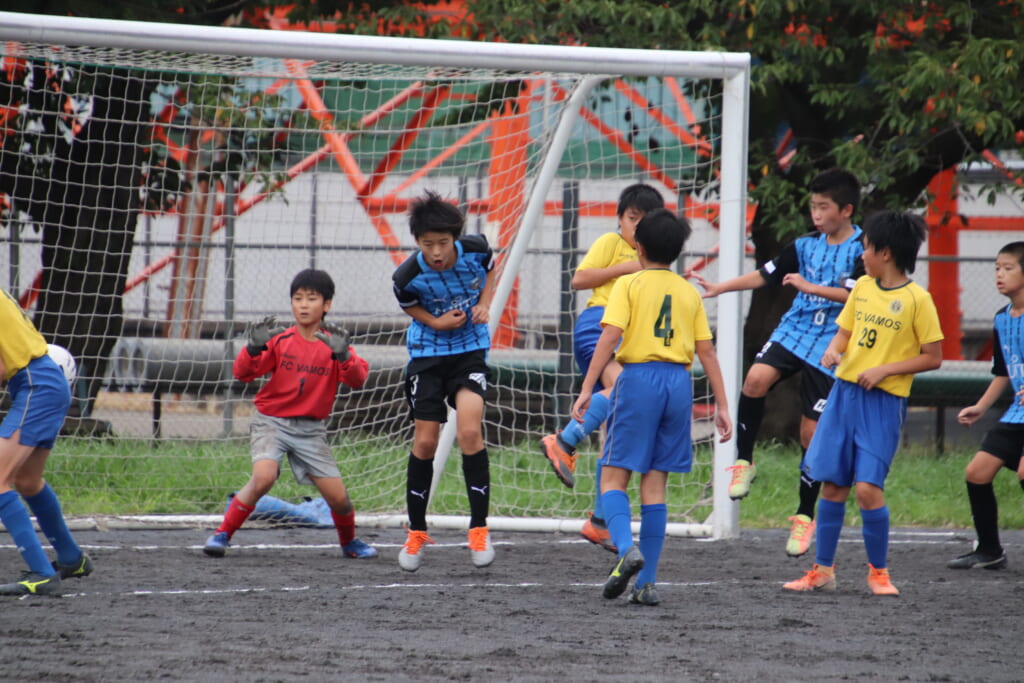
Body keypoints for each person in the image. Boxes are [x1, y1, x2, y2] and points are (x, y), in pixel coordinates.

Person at [691, 168, 864, 557]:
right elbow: (765, 275)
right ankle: (743, 461)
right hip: (795, 331)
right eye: (813, 206)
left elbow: (856, 299)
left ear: (846, 210)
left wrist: (809, 287)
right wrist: (721, 287)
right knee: (753, 381)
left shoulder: (862, 248)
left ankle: (804, 516)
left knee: (810, 435)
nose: (816, 214)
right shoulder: (803, 245)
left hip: (834, 342)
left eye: (824, 207)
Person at [572, 208, 733, 606]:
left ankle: (627, 549)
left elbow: (609, 337)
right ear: (678, 252)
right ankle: (648, 584)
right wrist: (723, 405)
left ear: (638, 248)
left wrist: (588, 388)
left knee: (613, 478)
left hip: (639, 379)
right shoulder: (686, 291)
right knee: (655, 486)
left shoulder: (629, 284)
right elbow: (707, 352)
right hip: (678, 385)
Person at [783, 210, 943, 596]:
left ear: (885, 253)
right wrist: (833, 351)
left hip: (882, 403)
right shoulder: (863, 289)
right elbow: (844, 334)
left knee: (868, 489)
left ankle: (879, 573)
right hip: (844, 397)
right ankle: (822, 570)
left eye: (866, 248)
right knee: (834, 485)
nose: (862, 255)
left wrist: (886, 370)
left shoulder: (917, 300)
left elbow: (933, 356)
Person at [203, 269, 377, 559]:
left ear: (327, 305)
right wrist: (253, 348)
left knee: (339, 500)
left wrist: (344, 356)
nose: (304, 305)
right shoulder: (280, 340)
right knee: (264, 477)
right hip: (272, 422)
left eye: (312, 298)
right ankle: (222, 534)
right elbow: (242, 373)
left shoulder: (336, 344)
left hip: (311, 431)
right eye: (298, 298)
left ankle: (349, 543)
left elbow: (358, 380)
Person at [540, 183, 666, 553]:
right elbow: (579, 279)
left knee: (618, 425)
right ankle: (563, 441)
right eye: (632, 219)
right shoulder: (613, 245)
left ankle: (599, 521)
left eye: (645, 222)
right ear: (620, 219)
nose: (637, 228)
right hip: (599, 325)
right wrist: (630, 266)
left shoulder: (656, 256)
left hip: (632, 338)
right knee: (627, 392)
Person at [392, 190, 497, 572]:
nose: (436, 252)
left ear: (455, 237)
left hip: (469, 351)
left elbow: (490, 269)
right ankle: (416, 533)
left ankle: (479, 531)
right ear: (417, 243)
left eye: (442, 243)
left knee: (470, 431)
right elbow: (407, 303)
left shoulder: (475, 249)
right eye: (427, 244)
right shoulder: (408, 275)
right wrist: (436, 322)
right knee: (425, 441)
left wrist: (484, 302)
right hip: (427, 358)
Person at [0, 289, 93, 596]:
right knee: (27, 481)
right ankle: (71, 558)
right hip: (43, 383)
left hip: (35, 385)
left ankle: (41, 573)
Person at [947, 241, 1024, 570]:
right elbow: (1004, 372)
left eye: (1008, 268)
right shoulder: (1001, 318)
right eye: (997, 268)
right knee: (976, 472)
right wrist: (980, 407)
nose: (999, 275)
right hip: (1016, 415)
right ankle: (990, 551)